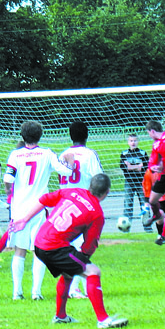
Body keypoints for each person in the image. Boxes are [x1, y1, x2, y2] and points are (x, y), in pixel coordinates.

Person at [9, 173, 128, 329]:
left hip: (40, 242)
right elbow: (90, 244)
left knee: (69, 272)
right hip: (54, 247)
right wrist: (84, 258)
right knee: (93, 272)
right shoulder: (97, 214)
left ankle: (61, 316)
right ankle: (103, 320)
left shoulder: (73, 192)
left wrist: (24, 219)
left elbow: (44, 199)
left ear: (90, 186)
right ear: (107, 193)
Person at [4, 121, 75, 301]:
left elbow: (8, 178)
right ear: (40, 135)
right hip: (39, 208)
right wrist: (71, 163)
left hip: (19, 209)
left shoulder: (16, 155)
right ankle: (36, 292)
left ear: (22, 136)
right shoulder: (47, 153)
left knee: (19, 250)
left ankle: (17, 293)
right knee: (39, 250)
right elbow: (65, 172)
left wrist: (9, 189)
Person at [59, 121, 103, 299]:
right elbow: (98, 178)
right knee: (81, 247)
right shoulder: (89, 154)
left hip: (64, 203)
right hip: (82, 204)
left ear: (70, 136)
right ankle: (74, 288)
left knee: (71, 245)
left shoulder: (63, 154)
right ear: (87, 136)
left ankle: (76, 286)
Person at [119, 134, 152, 233]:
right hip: (129, 182)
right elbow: (124, 168)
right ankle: (126, 227)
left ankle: (147, 226)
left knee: (144, 203)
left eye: (135, 140)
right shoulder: (124, 154)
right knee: (128, 204)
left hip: (141, 182)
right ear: (128, 142)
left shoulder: (142, 153)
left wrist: (131, 167)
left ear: (138, 142)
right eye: (131, 141)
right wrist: (137, 166)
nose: (133, 142)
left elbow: (145, 168)